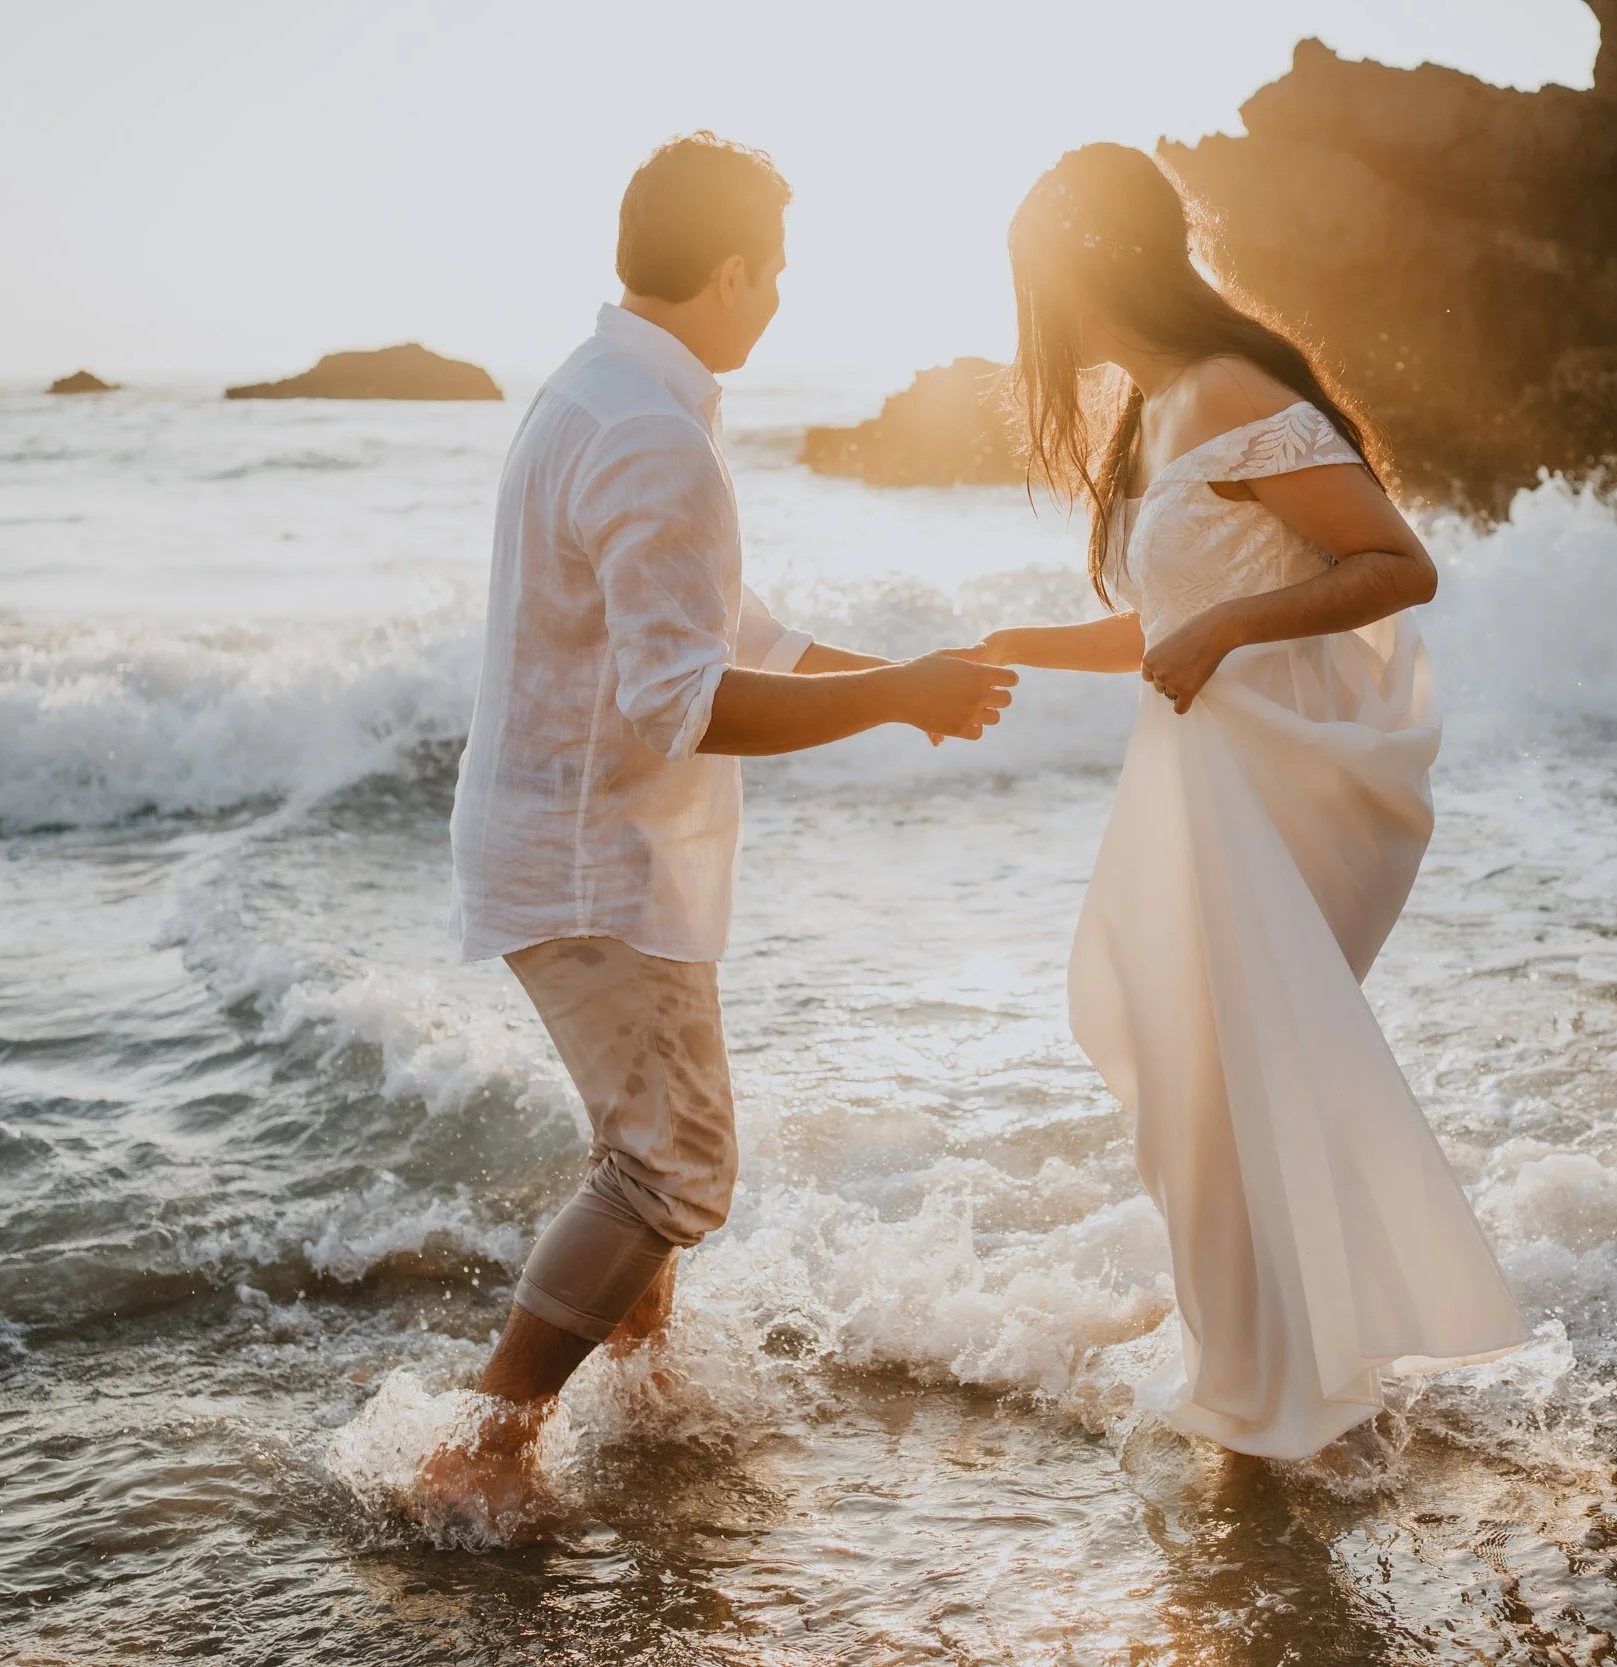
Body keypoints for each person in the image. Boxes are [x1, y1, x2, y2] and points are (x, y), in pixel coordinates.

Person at [418, 132, 1017, 1524]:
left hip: (570, 846)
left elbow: (729, 631)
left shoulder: (606, 392)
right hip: (592, 864)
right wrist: (893, 697)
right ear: (732, 269)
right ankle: (489, 1441)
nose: (783, 298)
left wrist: (901, 687)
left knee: (647, 1149)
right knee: (674, 1160)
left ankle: (650, 1393)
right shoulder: (647, 428)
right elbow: (684, 701)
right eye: (779, 271)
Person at [966, 144, 1527, 1459]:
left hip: (1270, 800)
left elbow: (1396, 562)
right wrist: (1013, 643)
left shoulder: (1228, 386)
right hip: (1206, 792)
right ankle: (1264, 1389)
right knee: (1197, 1093)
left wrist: (1224, 636)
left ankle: (1276, 1404)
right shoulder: (1159, 407)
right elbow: (1171, 619)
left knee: (1222, 1087)